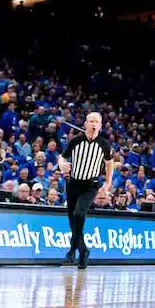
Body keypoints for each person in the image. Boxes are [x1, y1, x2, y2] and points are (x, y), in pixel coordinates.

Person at [56, 112, 114, 269]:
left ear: (101, 125)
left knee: (79, 214)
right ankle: (83, 251)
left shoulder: (104, 144)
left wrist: (107, 184)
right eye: (91, 121)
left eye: (97, 121)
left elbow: (109, 163)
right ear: (86, 124)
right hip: (73, 183)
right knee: (72, 219)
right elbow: (62, 157)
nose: (94, 124)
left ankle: (72, 250)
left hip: (91, 185)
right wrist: (61, 164)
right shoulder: (75, 141)